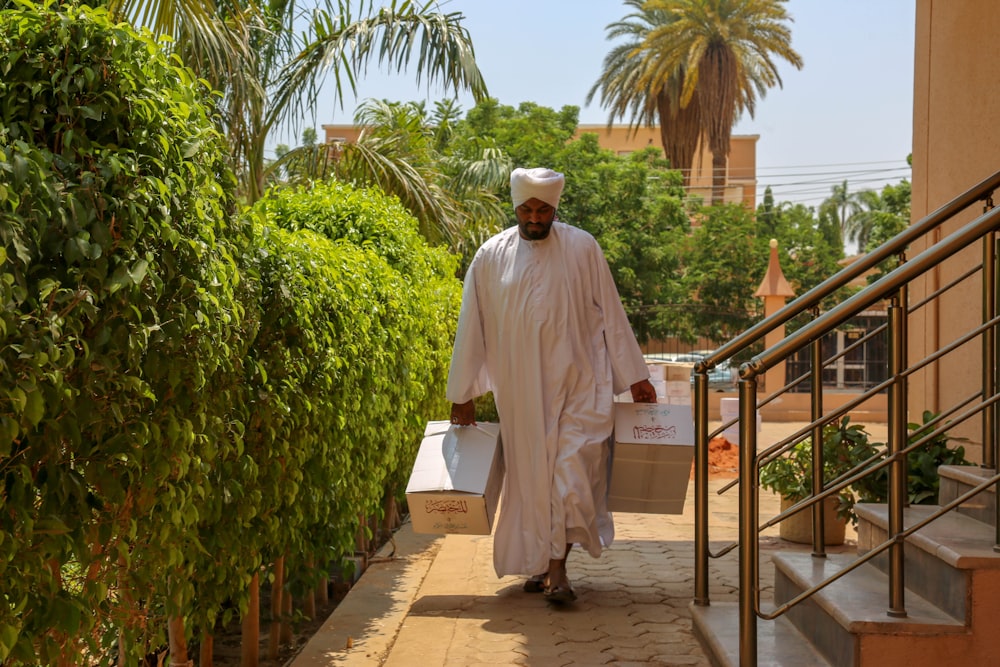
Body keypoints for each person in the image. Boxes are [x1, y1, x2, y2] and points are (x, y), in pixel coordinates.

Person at [446, 167, 657, 603]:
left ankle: (558, 568)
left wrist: (635, 376)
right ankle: (542, 562)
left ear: (556, 208)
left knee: (573, 472)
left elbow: (612, 313)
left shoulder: (582, 247)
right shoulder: (490, 256)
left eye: (544, 209)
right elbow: (472, 327)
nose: (535, 218)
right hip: (520, 391)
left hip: (583, 383)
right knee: (532, 481)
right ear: (515, 207)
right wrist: (462, 394)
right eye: (527, 209)